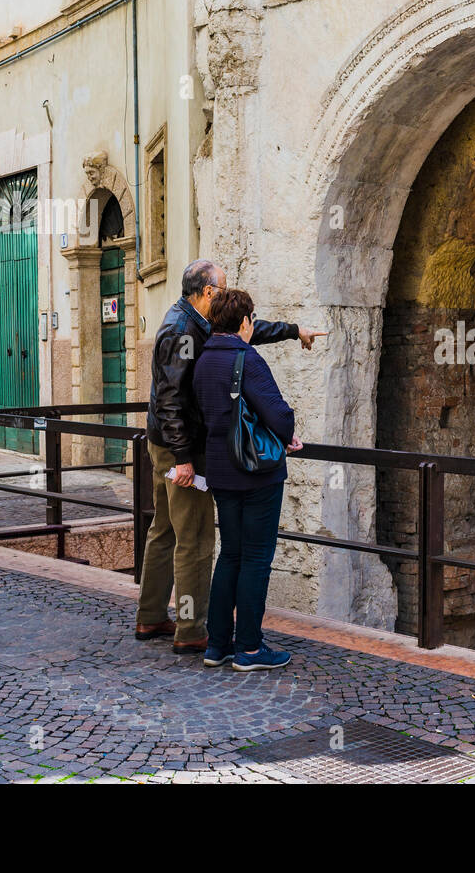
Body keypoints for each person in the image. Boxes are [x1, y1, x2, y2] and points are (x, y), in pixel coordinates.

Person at [135, 259, 325, 653]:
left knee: (165, 530)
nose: (226, 297)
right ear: (208, 293)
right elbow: (170, 400)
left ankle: (151, 615)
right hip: (178, 446)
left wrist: (293, 331)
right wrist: (185, 458)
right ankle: (190, 632)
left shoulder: (198, 323)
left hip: (165, 441)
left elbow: (244, 330)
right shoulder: (183, 331)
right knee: (195, 539)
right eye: (222, 290)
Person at [192, 288, 300, 670]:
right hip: (256, 474)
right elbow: (278, 414)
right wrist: (289, 436)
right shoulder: (246, 359)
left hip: (221, 473)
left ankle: (217, 644)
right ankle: (251, 649)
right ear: (243, 322)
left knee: (231, 556)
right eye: (251, 319)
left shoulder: (203, 360)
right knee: (256, 559)